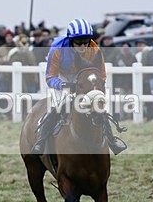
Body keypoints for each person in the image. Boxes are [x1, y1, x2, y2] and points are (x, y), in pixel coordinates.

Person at [32, 18, 126, 155]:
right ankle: (41, 141)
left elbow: (102, 76)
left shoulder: (94, 49)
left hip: (85, 77)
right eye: (78, 42)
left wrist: (94, 90)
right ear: (70, 40)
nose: (82, 46)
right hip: (64, 76)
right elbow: (50, 77)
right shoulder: (57, 49)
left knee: (99, 105)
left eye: (85, 42)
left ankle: (112, 141)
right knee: (57, 105)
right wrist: (63, 84)